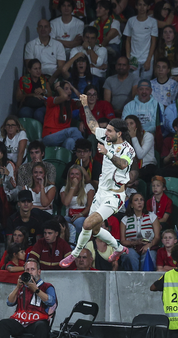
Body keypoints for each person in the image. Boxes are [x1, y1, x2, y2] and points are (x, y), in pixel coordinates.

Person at [60, 110, 136, 268]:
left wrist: (107, 153)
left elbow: (122, 164)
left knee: (86, 224)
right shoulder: (107, 137)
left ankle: (74, 254)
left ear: (119, 133)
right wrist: (86, 106)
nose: (105, 133)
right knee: (94, 230)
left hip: (114, 197)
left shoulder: (128, 149)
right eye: (106, 130)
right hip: (101, 193)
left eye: (109, 130)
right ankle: (118, 247)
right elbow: (93, 126)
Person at [0, 259, 57, 338]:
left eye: (32, 269)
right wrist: (17, 287)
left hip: (37, 322)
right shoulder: (21, 287)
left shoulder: (47, 286)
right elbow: (9, 302)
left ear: (39, 271)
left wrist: (36, 290)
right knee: (3, 323)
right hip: (20, 321)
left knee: (42, 325)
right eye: (27, 270)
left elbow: (51, 302)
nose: (30, 272)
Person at [120, 192, 162, 271]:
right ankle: (134, 281)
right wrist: (134, 243)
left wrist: (150, 245)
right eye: (136, 200)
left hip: (149, 246)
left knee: (151, 256)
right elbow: (123, 241)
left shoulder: (152, 216)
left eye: (141, 200)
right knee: (130, 256)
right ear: (131, 205)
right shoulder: (125, 219)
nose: (139, 202)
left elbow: (157, 237)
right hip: (132, 247)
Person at [41, 80, 83, 152]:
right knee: (74, 130)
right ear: (60, 90)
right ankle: (85, 149)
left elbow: (84, 101)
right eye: (66, 89)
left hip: (63, 138)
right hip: (50, 137)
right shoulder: (51, 100)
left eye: (70, 89)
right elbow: (63, 96)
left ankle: (69, 162)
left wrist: (72, 87)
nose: (70, 91)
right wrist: (57, 87)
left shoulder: (70, 104)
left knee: (70, 141)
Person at [124, 0, 158, 80]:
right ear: (136, 6)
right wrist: (128, 56)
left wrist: (149, 59)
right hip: (134, 58)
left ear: (148, 7)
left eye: (144, 5)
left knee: (146, 83)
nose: (142, 7)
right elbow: (128, 40)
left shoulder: (153, 22)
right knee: (133, 82)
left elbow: (153, 42)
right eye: (140, 5)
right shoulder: (131, 21)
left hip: (147, 57)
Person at [61, 164, 95, 235]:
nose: (74, 176)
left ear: (81, 176)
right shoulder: (64, 189)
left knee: (78, 222)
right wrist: (73, 186)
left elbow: (90, 206)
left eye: (77, 174)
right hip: (69, 216)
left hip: (83, 215)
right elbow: (66, 203)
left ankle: (78, 244)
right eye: (72, 174)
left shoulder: (88, 187)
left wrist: (80, 214)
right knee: (63, 223)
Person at [16, 59, 52, 124]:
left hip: (41, 105)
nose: (38, 71)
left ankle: (42, 133)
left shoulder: (44, 79)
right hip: (27, 105)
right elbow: (18, 97)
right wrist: (32, 95)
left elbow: (50, 95)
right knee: (24, 113)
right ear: (29, 70)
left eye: (39, 68)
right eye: (35, 69)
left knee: (38, 114)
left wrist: (43, 91)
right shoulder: (23, 80)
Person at [126, 115, 157, 183]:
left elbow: (140, 155)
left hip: (147, 166)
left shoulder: (148, 136)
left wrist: (133, 137)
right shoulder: (125, 138)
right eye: (127, 124)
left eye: (131, 123)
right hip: (132, 167)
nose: (129, 126)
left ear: (137, 125)